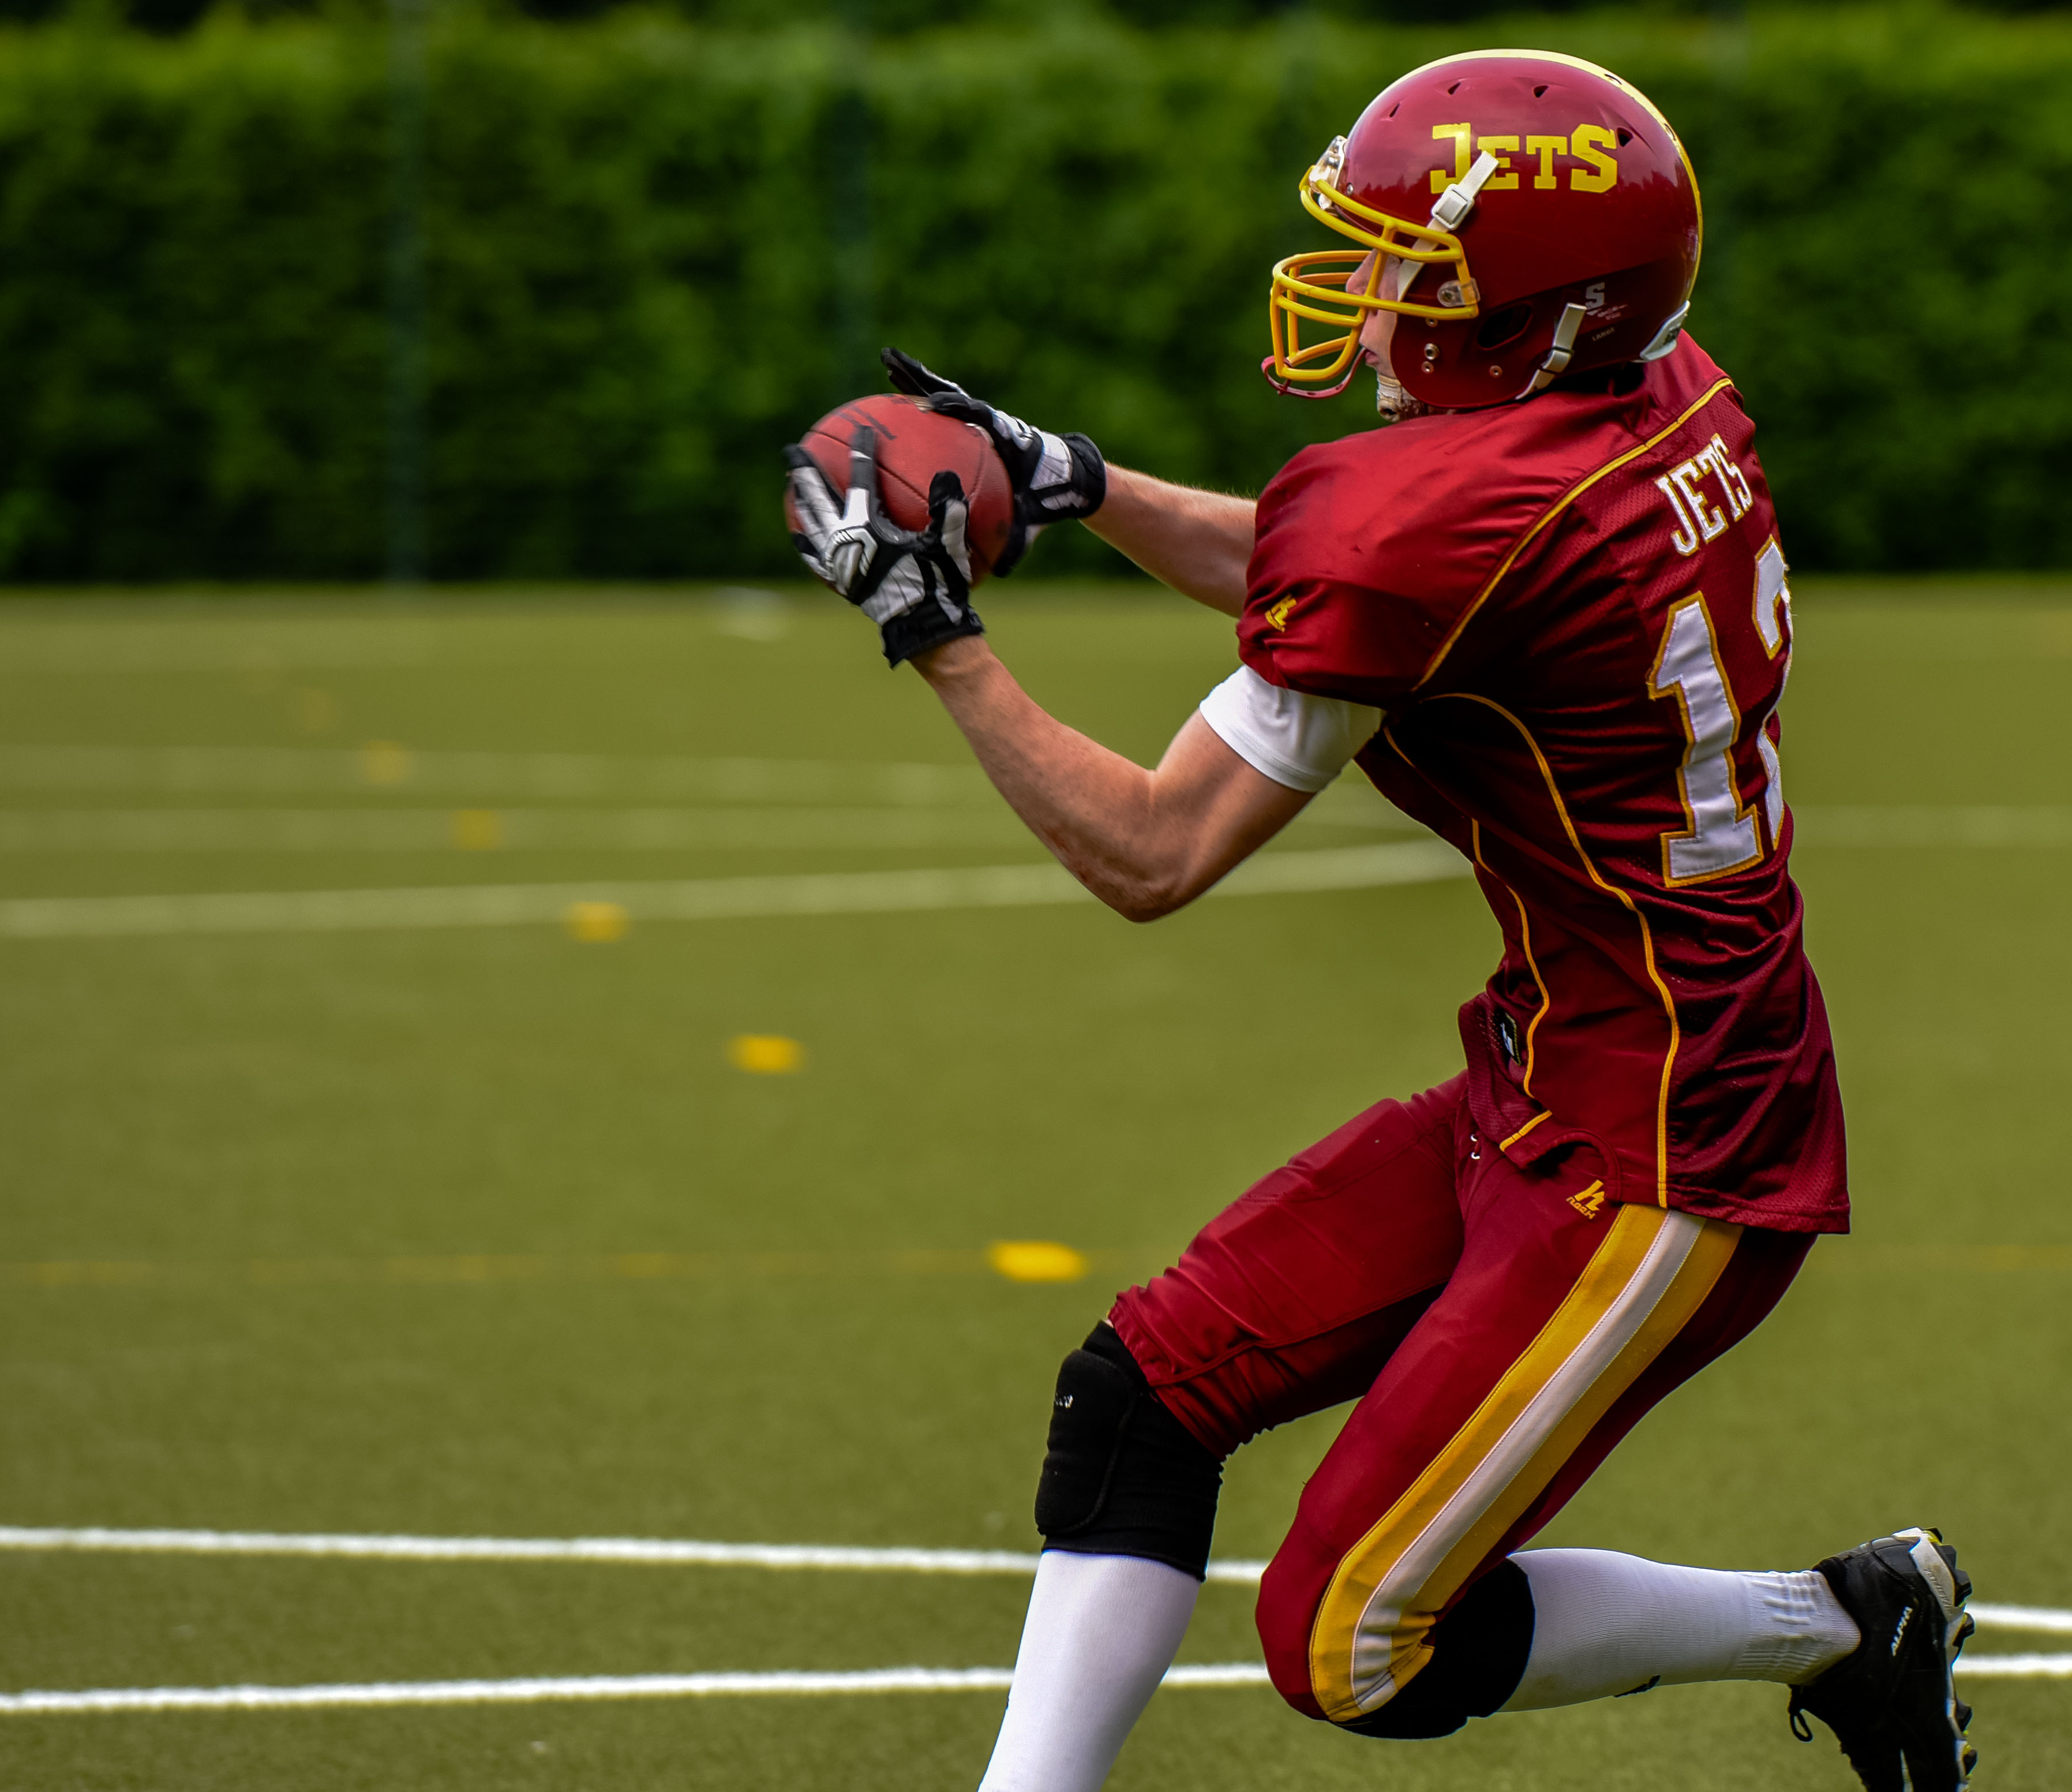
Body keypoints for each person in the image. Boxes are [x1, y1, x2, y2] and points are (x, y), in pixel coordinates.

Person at [782, 48, 1975, 1792]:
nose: (1367, 298)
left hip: (1665, 1150)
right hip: (1571, 1063)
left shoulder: (1455, 522)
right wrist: (1076, 481)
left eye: (1411, 268)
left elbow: (1152, 849)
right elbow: (1338, 564)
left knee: (1348, 1642)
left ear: (1537, 319)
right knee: (1138, 1395)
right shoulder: (1653, 390)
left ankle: (1847, 1624)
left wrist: (933, 630)